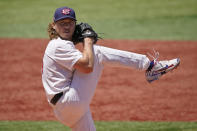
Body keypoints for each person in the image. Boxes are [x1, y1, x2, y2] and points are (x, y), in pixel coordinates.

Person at [42, 6, 180, 131]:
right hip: (69, 101)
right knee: (96, 52)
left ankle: (151, 67)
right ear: (54, 26)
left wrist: (81, 41)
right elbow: (88, 66)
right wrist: (88, 40)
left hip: (66, 108)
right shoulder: (58, 46)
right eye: (62, 23)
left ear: (75, 24)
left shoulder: (59, 44)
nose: (67, 27)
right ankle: (151, 66)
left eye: (70, 23)